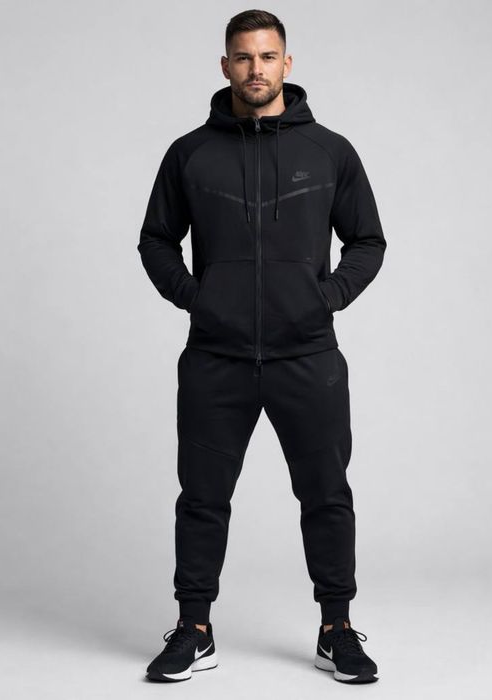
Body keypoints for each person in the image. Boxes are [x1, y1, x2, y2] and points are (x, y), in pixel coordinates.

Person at [138, 9, 386, 684]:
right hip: (215, 356)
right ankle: (194, 628)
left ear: (288, 64)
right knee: (202, 497)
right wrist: (197, 298)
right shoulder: (190, 154)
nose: (256, 69)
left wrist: (326, 298)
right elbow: (156, 240)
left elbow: (368, 240)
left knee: (326, 494)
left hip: (307, 355)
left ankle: (337, 629)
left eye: (268, 56)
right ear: (225, 66)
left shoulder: (329, 152)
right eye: (243, 58)